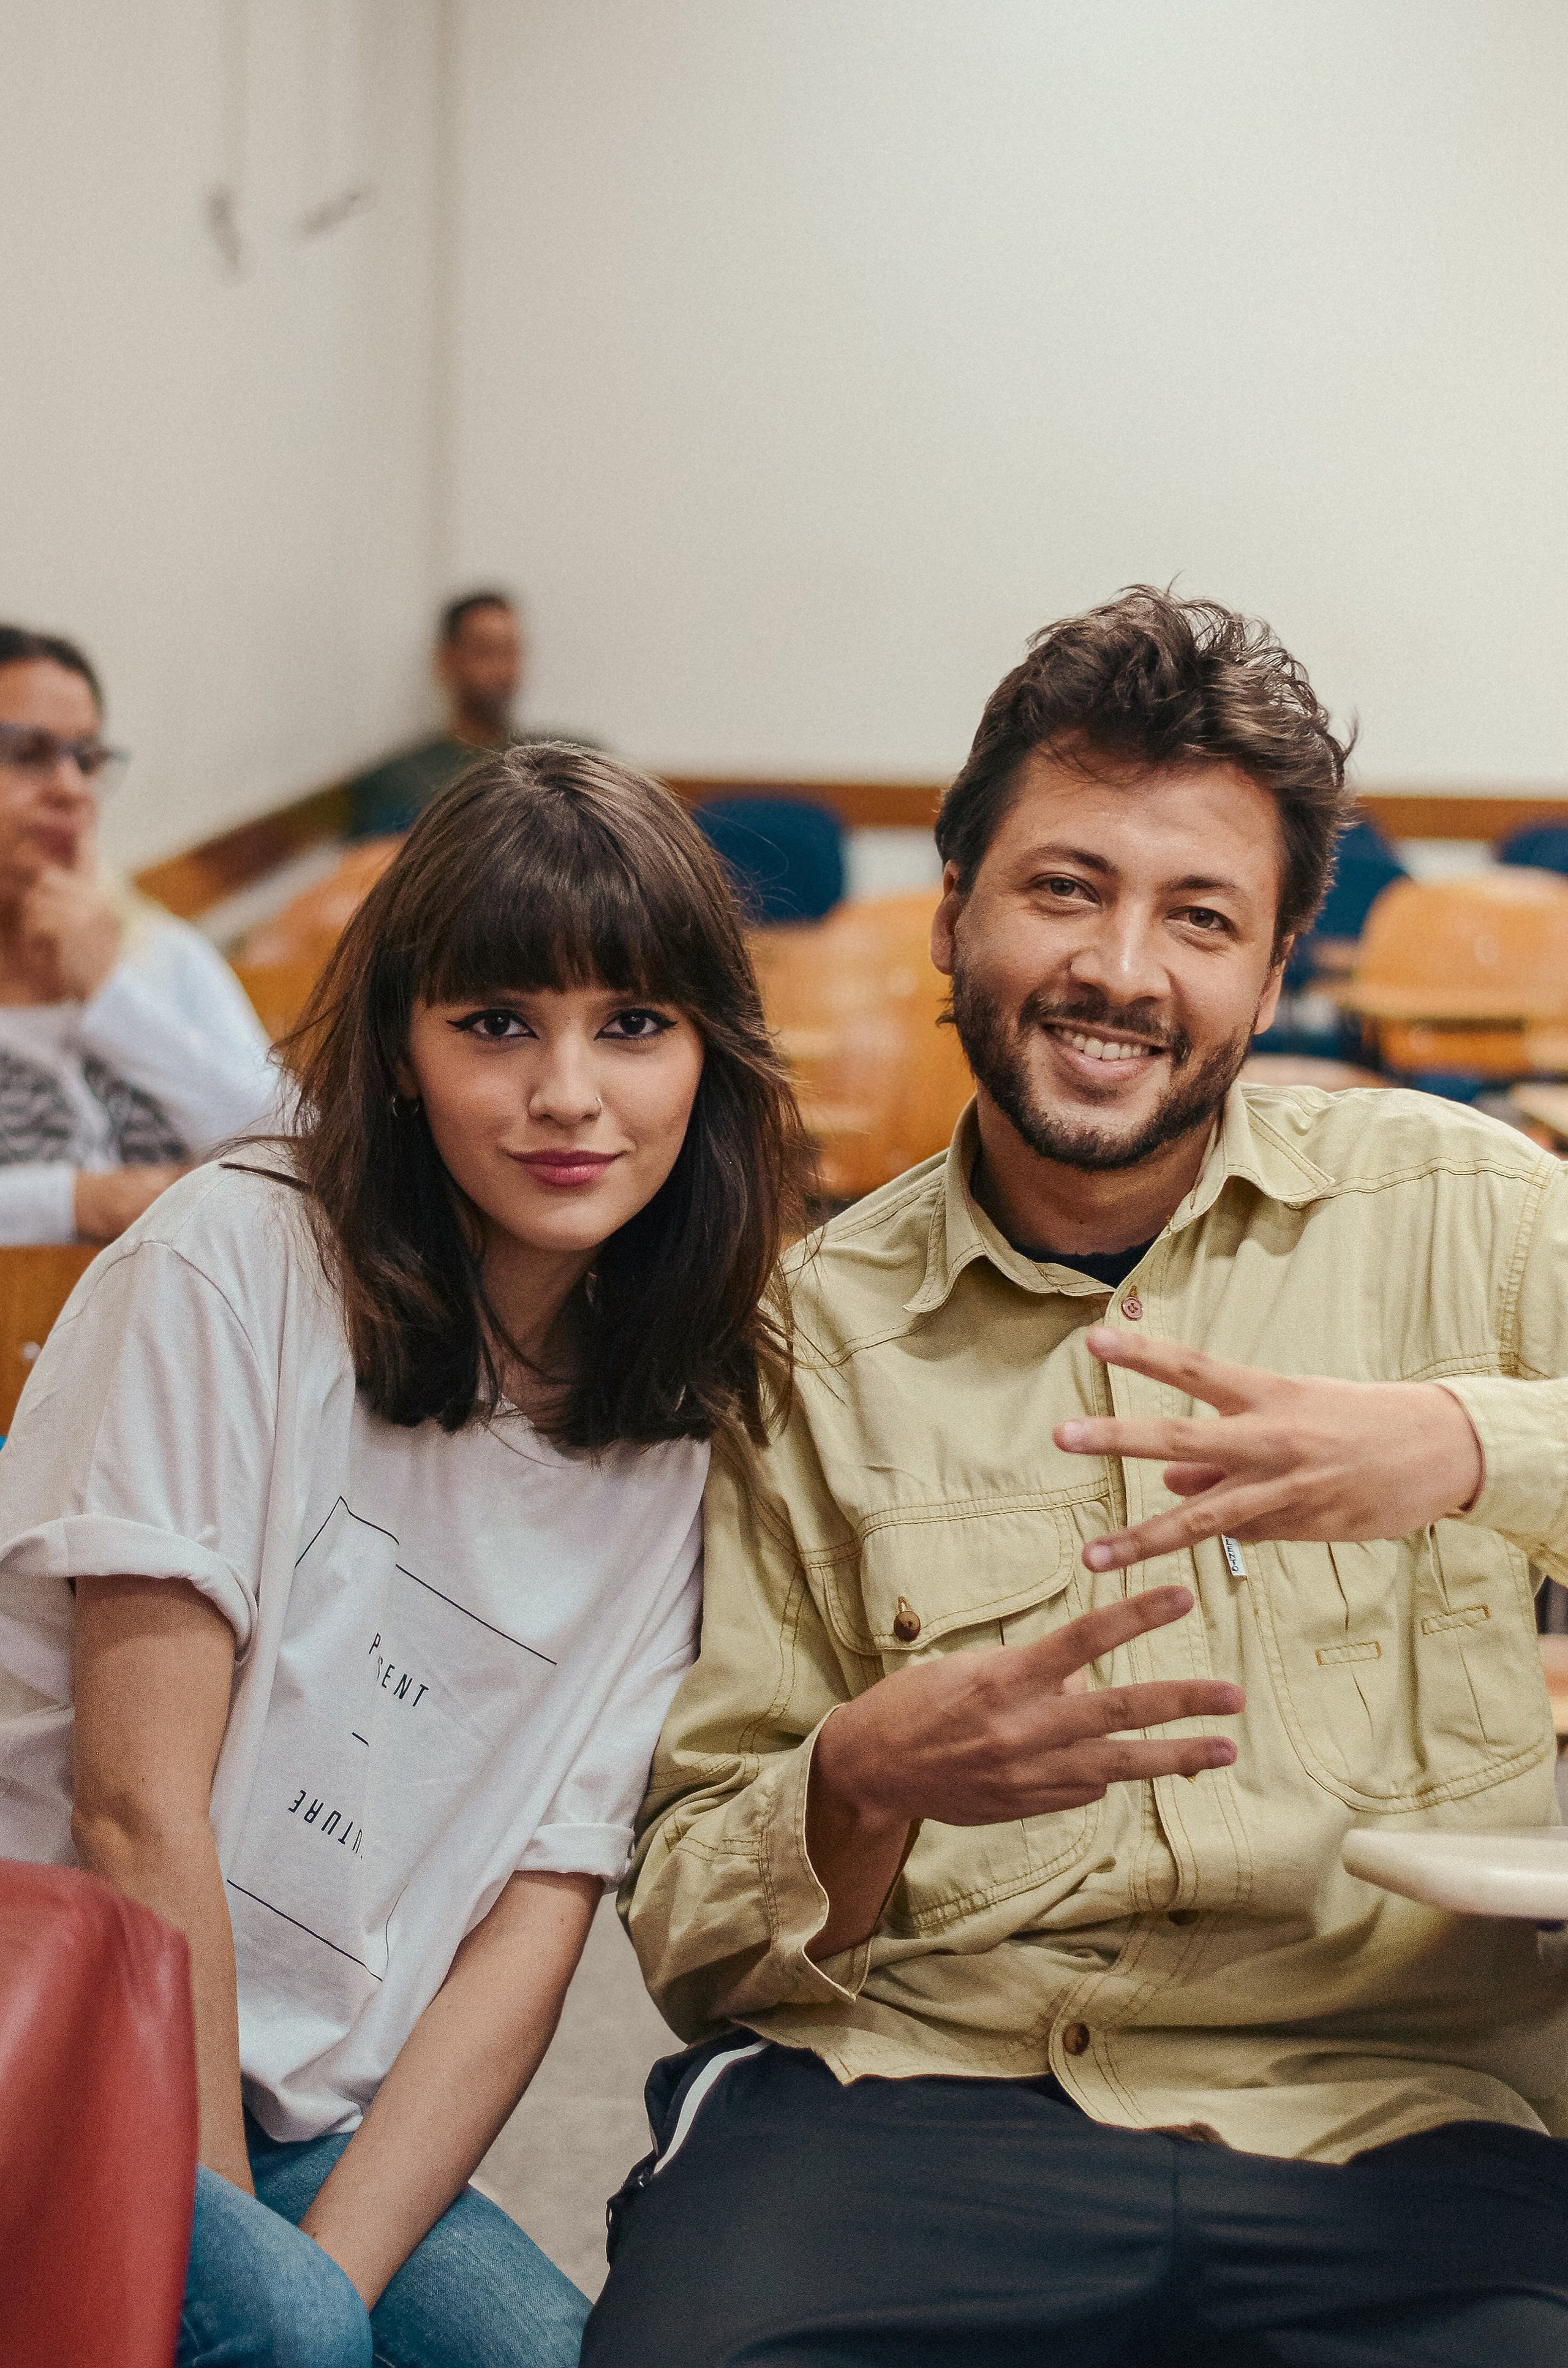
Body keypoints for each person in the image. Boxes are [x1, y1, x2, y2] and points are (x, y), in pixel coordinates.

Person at [586, 589, 1568, 2366]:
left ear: (1276, 977)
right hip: (924, 2085)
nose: (1123, 969)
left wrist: (1464, 1445)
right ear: (955, 912)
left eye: (1201, 917)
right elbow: (691, 1925)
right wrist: (862, 1778)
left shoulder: (1472, 1209)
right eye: (1064, 888)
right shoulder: (798, 1341)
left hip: (1407, 2106)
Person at [0, 745, 805, 2367]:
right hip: (60, 2036)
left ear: (707, 1060)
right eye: (498, 1022)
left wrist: (332, 2284)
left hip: (313, 2099)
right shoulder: (229, 1264)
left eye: (633, 1026)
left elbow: (536, 1919)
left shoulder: (684, 1422)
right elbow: (134, 1812)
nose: (568, 1092)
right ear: (404, 1049)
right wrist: (249, 2277)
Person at [0, 626, 276, 1243]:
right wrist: (79, 1201)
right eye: (27, 753)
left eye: (86, 758)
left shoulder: (164, 956)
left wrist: (112, 994)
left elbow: (301, 1147)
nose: (71, 788)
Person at [345, 592, 591, 839]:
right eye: (485, 651)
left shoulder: (568, 759)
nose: (502, 670)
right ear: (447, 661)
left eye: (511, 651)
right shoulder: (398, 781)